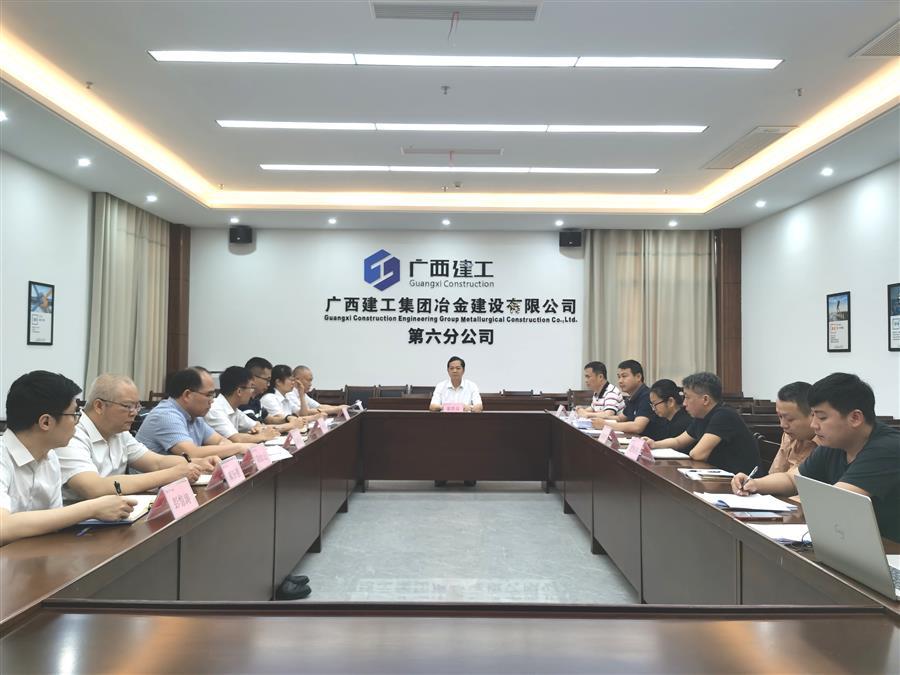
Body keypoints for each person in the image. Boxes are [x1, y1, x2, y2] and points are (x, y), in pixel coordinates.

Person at [732, 373, 900, 541]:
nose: (813, 425)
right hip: (854, 541)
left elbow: (836, 499)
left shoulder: (887, 448)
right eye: (813, 416)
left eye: (822, 417)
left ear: (855, 418)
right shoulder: (836, 443)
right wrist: (754, 484)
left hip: (890, 548)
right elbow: (792, 480)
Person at [1, 371, 136, 546]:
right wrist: (92, 508)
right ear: (46, 422)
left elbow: (54, 523)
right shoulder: (3, 457)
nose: (77, 422)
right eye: (74, 414)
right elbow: (3, 527)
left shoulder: (50, 457)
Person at [57, 374, 216, 501]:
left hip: (113, 510)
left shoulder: (119, 432)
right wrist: (172, 474)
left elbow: (156, 462)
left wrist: (198, 463)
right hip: (78, 520)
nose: (134, 413)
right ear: (99, 406)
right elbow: (93, 488)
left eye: (137, 406)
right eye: (128, 406)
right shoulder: (72, 434)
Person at [648, 372, 760, 474]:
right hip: (720, 475)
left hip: (741, 480)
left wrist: (691, 453)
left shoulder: (724, 415)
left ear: (705, 400)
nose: (684, 403)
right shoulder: (701, 416)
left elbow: (698, 454)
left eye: (687, 397)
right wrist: (654, 444)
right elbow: (678, 441)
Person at [136, 368, 253, 459]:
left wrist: (230, 446)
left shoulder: (195, 416)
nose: (212, 400)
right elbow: (191, 454)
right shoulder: (166, 415)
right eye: (209, 395)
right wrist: (237, 447)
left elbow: (220, 441)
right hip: (154, 482)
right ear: (187, 395)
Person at [206, 366, 301, 442]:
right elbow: (235, 438)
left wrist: (262, 431)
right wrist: (261, 436)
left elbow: (259, 427)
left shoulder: (235, 411)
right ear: (239, 391)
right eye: (251, 387)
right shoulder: (215, 409)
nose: (252, 391)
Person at [430, 356, 482, 488]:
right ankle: (442, 476)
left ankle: (468, 476)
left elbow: (479, 407)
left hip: (467, 427)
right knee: (442, 450)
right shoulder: (441, 386)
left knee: (468, 450)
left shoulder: (471, 385)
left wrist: (468, 407)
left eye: (458, 368)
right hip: (444, 427)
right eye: (451, 368)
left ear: (463, 370)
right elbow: (432, 406)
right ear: (448, 370)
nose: (454, 371)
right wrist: (445, 407)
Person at [593, 359, 652, 435]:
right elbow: (620, 418)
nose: (620, 381)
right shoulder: (632, 397)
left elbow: (637, 427)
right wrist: (597, 418)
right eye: (619, 377)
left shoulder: (647, 396)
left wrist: (605, 425)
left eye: (624, 376)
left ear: (638, 377)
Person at [770, 381, 818, 474]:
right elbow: (776, 473)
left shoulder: (827, 443)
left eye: (790, 419)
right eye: (780, 416)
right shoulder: (788, 436)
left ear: (812, 415)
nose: (782, 425)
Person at [240, 356, 274, 422]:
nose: (268, 384)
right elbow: (257, 426)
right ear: (252, 378)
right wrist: (290, 424)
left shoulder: (256, 400)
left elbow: (270, 419)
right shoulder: (242, 401)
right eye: (267, 380)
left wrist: (288, 418)